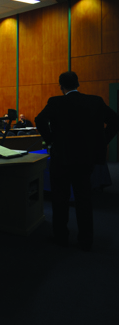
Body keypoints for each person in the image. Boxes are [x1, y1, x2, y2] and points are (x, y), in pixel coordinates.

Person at [35, 71, 119, 251]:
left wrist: (50, 139)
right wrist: (102, 141)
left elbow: (39, 119)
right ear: (78, 84)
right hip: (85, 159)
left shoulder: (55, 102)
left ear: (60, 86)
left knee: (60, 199)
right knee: (84, 199)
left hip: (62, 158)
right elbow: (115, 120)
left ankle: (61, 237)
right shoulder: (95, 101)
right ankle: (86, 240)